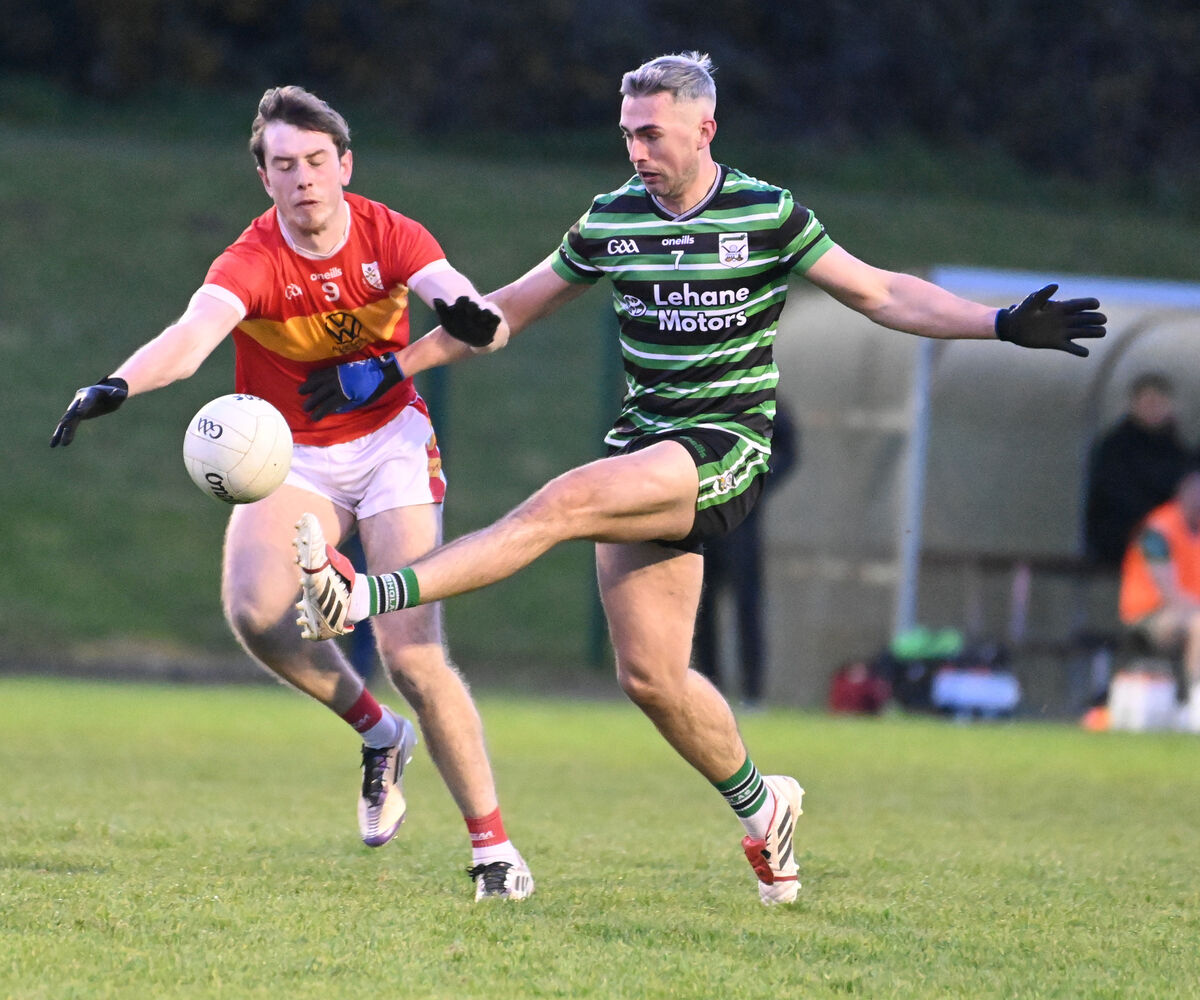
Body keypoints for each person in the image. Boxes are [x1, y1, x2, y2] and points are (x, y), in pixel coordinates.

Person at [292, 52, 1107, 905]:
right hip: (644, 445)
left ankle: (364, 597)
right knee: (651, 679)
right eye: (627, 134)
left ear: (703, 129)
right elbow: (505, 315)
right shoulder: (612, 218)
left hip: (724, 447)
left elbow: (881, 293)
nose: (637, 150)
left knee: (563, 502)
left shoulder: (766, 212)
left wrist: (1000, 322)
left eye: (652, 134)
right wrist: (398, 366)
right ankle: (767, 811)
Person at [49, 85, 534, 902]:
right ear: (264, 179)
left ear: (345, 165)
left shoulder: (390, 233)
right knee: (254, 613)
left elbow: (460, 298)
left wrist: (464, 318)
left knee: (412, 650)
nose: (304, 178)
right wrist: (115, 385)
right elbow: (190, 341)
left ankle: (494, 852)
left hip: (390, 447)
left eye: (317, 161)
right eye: (284, 165)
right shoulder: (252, 258)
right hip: (290, 457)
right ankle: (380, 736)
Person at [693, 400, 798, 708]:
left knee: (747, 604)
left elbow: (789, 451)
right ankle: (707, 688)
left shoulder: (762, 396)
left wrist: (755, 481)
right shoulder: (700, 392)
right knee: (700, 605)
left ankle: (752, 693)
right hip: (703, 518)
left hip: (742, 522)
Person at [1118, 464, 1200, 729]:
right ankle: (1194, 704)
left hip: (1187, 612)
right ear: (1182, 492)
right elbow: (1171, 594)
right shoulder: (1157, 532)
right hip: (1149, 615)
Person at [1085, 372, 1191, 570]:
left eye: (1159, 402)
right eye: (1148, 401)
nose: (1153, 408)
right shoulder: (1115, 449)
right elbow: (1113, 495)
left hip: (1170, 541)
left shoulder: (1179, 452)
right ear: (1133, 404)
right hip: (1122, 540)